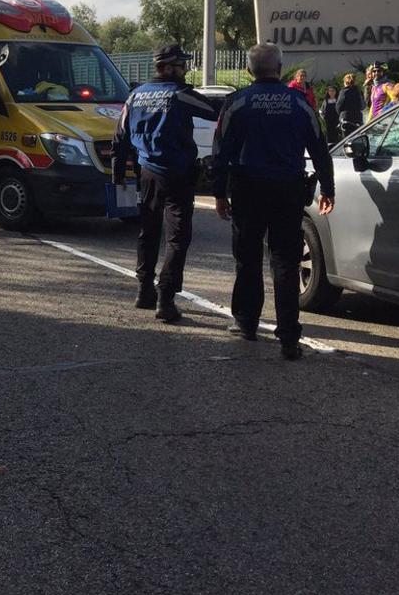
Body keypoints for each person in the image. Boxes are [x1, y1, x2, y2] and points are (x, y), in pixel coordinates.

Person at [213, 43, 335, 361]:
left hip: (247, 190)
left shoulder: (236, 102)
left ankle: (246, 322)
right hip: (288, 190)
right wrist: (328, 189)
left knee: (248, 258)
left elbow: (220, 152)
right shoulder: (300, 103)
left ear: (250, 71)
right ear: (281, 68)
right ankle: (289, 337)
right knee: (284, 261)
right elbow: (320, 148)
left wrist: (218, 193)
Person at [112, 43, 219, 323]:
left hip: (146, 173)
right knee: (177, 237)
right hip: (178, 175)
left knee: (148, 232)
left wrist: (118, 173)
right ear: (169, 67)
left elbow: (120, 136)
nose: (184, 70)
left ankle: (143, 290)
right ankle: (166, 299)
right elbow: (211, 109)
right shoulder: (180, 94)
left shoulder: (135, 95)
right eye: (182, 65)